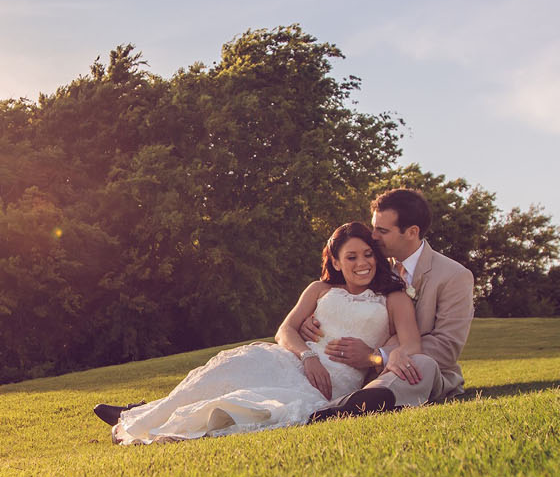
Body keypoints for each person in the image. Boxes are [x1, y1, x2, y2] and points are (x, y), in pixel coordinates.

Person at [105, 222, 424, 444]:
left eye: (368, 254)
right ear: (338, 263)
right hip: (290, 360)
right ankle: (143, 415)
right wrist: (308, 355)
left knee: (252, 404)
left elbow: (412, 345)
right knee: (228, 369)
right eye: (351, 257)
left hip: (332, 382)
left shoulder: (392, 297)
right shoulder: (320, 288)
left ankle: (161, 422)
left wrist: (373, 356)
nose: (362, 263)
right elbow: (284, 330)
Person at [303, 186, 474, 420]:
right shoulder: (372, 265)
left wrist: (379, 356)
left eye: (382, 230)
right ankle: (352, 402)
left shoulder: (453, 275)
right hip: (357, 373)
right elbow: (341, 298)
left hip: (418, 371)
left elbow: (447, 347)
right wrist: (312, 322)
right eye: (374, 227)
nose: (373, 236)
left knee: (421, 363)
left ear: (412, 232)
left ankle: (354, 405)